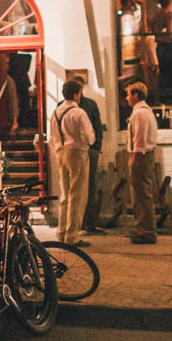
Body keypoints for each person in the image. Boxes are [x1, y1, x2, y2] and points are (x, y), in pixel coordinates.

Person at [49, 78, 96, 245]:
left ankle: (61, 232)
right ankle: (72, 236)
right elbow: (88, 137)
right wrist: (91, 139)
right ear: (77, 94)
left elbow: (52, 136)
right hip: (77, 153)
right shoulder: (79, 113)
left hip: (60, 152)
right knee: (77, 195)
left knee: (64, 195)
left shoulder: (56, 112)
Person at [65, 70, 108, 235]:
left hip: (89, 151)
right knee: (74, 188)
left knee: (91, 186)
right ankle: (76, 223)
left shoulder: (90, 104)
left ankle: (90, 222)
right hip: (73, 151)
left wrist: (96, 147)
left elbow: (97, 127)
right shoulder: (64, 106)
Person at [124, 82, 159, 244]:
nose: (127, 97)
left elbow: (139, 136)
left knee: (141, 194)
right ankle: (142, 227)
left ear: (136, 95)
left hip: (141, 156)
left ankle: (146, 230)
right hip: (145, 154)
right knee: (140, 193)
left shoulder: (140, 114)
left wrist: (135, 157)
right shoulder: (144, 111)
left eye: (129, 94)